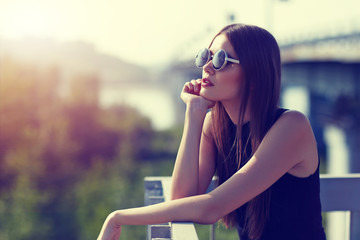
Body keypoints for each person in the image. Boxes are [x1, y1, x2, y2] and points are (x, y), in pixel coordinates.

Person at [97, 23, 326, 240]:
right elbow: (182, 199)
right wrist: (194, 113)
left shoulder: (292, 126)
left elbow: (210, 208)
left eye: (220, 60)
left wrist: (118, 217)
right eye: (207, 56)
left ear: (254, 76)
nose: (206, 67)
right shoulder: (215, 126)